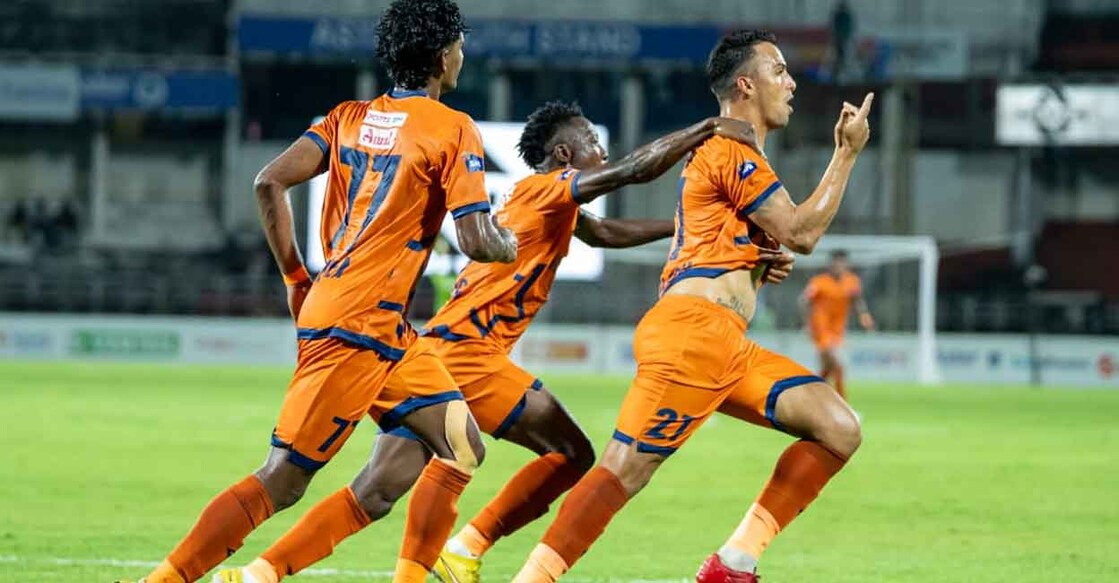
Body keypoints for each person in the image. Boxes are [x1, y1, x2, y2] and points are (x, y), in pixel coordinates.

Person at [211, 101, 786, 583]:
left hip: (438, 348)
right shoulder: (551, 190)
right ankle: (465, 549)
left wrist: (687, 233)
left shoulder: (538, 197)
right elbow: (631, 171)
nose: (598, 148)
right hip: (469, 352)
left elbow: (607, 232)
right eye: (589, 139)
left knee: (378, 488)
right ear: (565, 155)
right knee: (570, 453)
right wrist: (705, 130)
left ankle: (260, 573)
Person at [117, 1, 517, 582]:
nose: (462, 54)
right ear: (439, 56)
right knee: (282, 478)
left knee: (459, 445)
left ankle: (267, 574)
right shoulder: (455, 128)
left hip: (378, 326)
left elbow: (269, 181)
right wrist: (510, 242)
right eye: (458, 44)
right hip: (356, 327)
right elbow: (478, 241)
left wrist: (295, 279)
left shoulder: (346, 117)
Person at [510, 30, 875, 583]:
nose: (792, 82)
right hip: (692, 337)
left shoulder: (737, 160)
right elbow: (801, 233)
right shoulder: (730, 150)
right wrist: (846, 153)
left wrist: (754, 261)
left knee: (837, 425)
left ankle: (733, 565)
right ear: (745, 85)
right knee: (622, 473)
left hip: (726, 343)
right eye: (779, 71)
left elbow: (714, 244)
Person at [802, 249, 875, 400]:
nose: (838, 266)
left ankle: (812, 394)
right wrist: (807, 324)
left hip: (838, 330)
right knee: (838, 363)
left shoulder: (852, 281)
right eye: (835, 263)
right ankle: (843, 403)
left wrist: (864, 315)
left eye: (841, 263)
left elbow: (857, 299)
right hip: (820, 328)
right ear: (830, 264)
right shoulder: (819, 282)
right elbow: (803, 301)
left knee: (828, 368)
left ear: (846, 265)